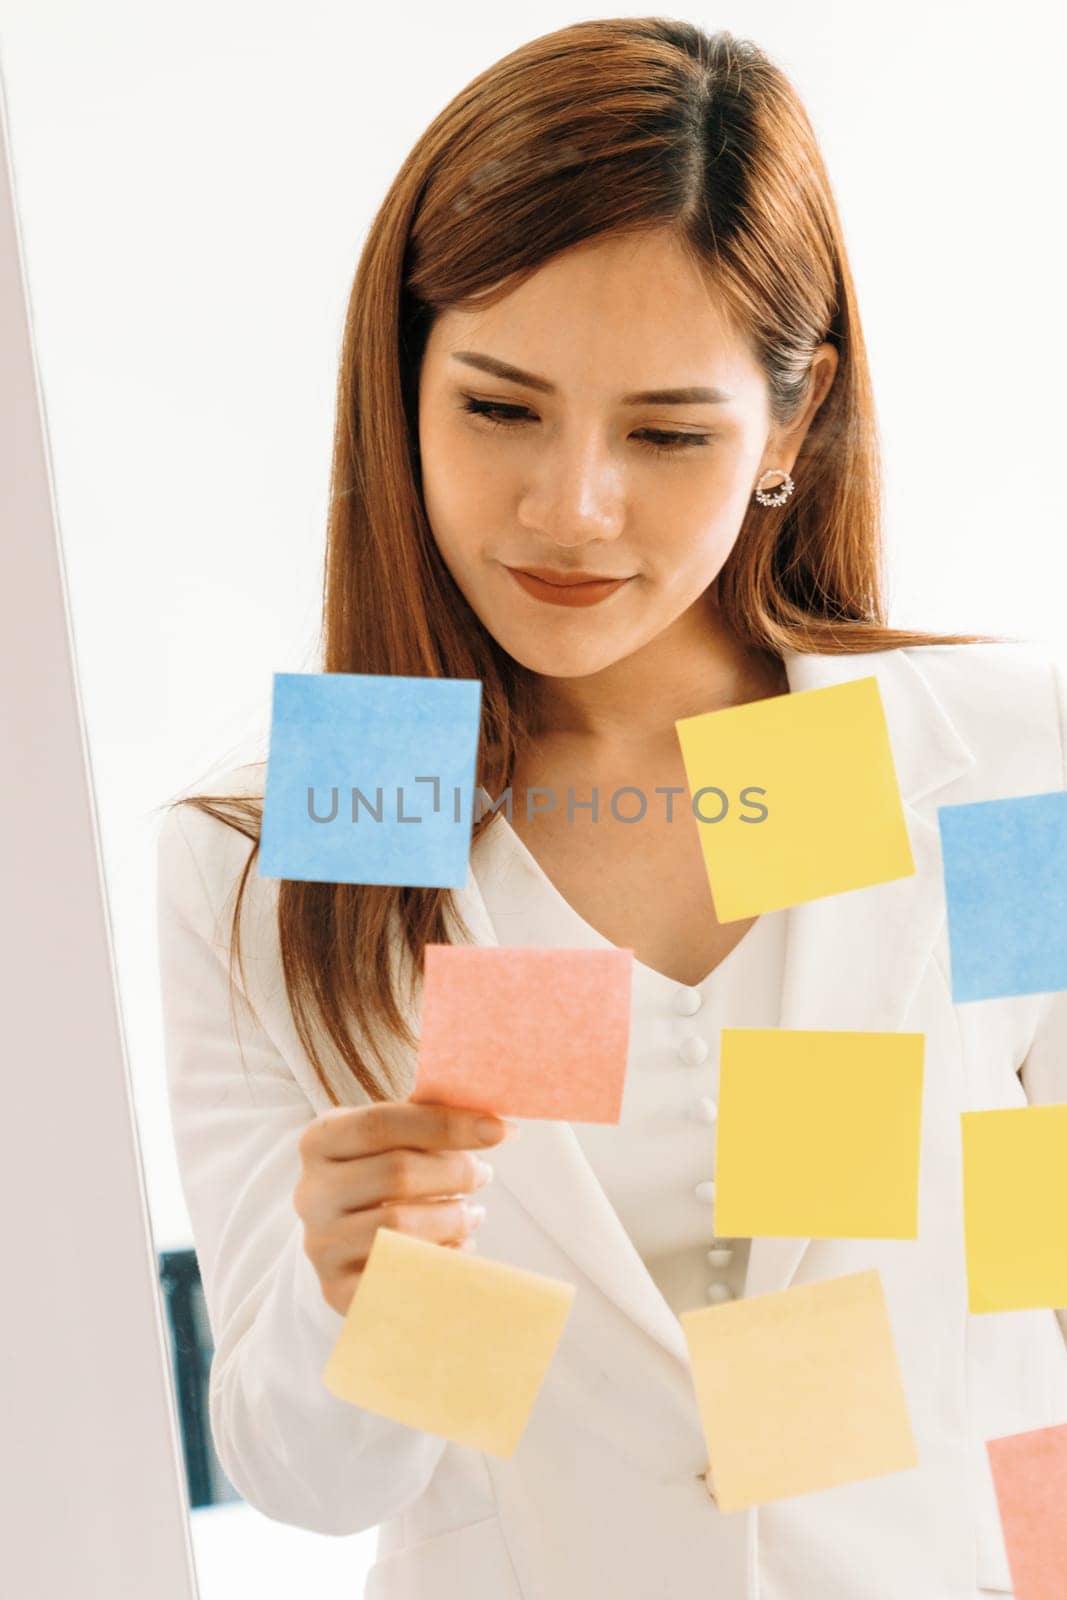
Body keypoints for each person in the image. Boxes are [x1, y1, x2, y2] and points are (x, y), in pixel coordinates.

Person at [155, 19, 1067, 1598]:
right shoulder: (282, 852)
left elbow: (1040, 1305)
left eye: (666, 434)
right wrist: (361, 1288)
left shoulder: (999, 766)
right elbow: (311, 1481)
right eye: (500, 408)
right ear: (402, 386)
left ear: (791, 423)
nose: (570, 510)